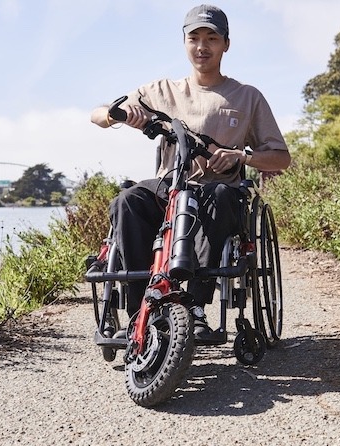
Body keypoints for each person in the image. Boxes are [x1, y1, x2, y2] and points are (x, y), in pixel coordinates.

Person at [91, 4, 290, 343]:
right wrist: (118, 115)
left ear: (226, 44)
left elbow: (281, 158)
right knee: (128, 201)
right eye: (194, 38)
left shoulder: (247, 97)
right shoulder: (162, 90)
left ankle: (195, 305)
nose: (202, 47)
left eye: (211, 38)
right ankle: (139, 308)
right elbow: (98, 114)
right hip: (169, 186)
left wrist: (242, 156)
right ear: (184, 43)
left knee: (223, 196)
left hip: (217, 188)